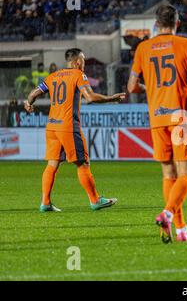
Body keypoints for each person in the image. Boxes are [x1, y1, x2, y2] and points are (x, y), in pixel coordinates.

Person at [127, 4, 187, 243]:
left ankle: (181, 230)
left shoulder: (143, 48)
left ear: (156, 24)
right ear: (178, 23)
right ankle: (167, 213)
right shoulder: (186, 45)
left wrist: (150, 89)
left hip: (157, 116)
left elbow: (131, 87)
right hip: (181, 117)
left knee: (169, 173)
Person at [24, 48, 126, 212]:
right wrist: (112, 98)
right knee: (83, 163)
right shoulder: (78, 75)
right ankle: (95, 200)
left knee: (52, 164)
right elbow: (91, 97)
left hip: (52, 127)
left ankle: (45, 202)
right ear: (78, 61)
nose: (84, 64)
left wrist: (28, 103)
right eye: (83, 60)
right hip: (68, 126)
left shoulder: (52, 76)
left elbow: (34, 93)